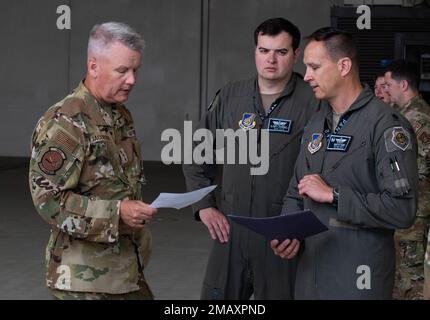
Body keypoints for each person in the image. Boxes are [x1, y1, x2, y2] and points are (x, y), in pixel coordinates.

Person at [271, 27, 419, 299]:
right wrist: (287, 230)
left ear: (344, 66)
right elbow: (297, 190)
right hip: (310, 278)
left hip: (357, 279)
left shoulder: (386, 126)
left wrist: (334, 195)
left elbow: (401, 209)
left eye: (314, 67)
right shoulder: (316, 124)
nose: (307, 76)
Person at [182, 17, 319, 299]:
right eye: (263, 50)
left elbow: (326, 171)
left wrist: (298, 227)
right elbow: (196, 152)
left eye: (281, 52)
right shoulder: (231, 96)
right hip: (231, 233)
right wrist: (204, 204)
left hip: (282, 238)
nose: (271, 60)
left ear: (295, 55)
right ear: (255, 51)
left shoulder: (313, 102)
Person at [29, 22, 157, 300]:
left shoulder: (120, 115)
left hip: (124, 272)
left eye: (135, 70)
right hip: (84, 282)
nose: (132, 80)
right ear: (94, 66)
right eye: (122, 70)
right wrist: (117, 212)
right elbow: (48, 201)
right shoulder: (67, 122)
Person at [384, 60, 430, 300]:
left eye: (389, 84)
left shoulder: (416, 118)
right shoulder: (405, 115)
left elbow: (418, 170)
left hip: (414, 210)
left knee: (410, 278)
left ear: (403, 85)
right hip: (408, 209)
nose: (386, 90)